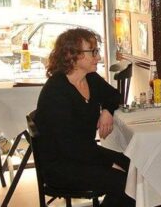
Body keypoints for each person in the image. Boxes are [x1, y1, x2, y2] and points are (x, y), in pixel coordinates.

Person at [35, 28, 134, 207]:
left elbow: (113, 95)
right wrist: (108, 163)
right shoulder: (56, 92)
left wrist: (107, 111)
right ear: (72, 55)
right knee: (126, 184)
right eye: (93, 51)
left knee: (135, 166)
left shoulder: (90, 78)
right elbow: (70, 147)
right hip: (62, 165)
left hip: (83, 153)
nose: (98, 57)